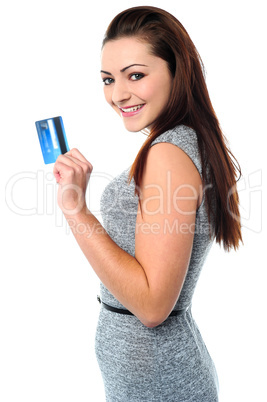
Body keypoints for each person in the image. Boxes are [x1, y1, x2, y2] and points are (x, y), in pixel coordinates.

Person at [53, 6, 242, 401]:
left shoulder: (168, 153)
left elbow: (154, 305)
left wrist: (76, 208)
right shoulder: (176, 144)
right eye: (108, 79)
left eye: (135, 75)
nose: (118, 94)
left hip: (162, 383)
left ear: (177, 70)